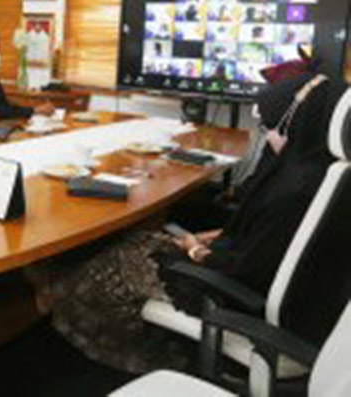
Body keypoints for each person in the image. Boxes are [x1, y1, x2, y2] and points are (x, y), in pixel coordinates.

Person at [46, 69, 338, 374]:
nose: (268, 136)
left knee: (90, 276)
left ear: (295, 124)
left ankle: (157, 359)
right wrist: (215, 236)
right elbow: (267, 238)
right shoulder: (318, 172)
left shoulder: (295, 190)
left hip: (233, 290)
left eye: (271, 126)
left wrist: (194, 248)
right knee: (134, 240)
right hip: (251, 273)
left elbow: (246, 267)